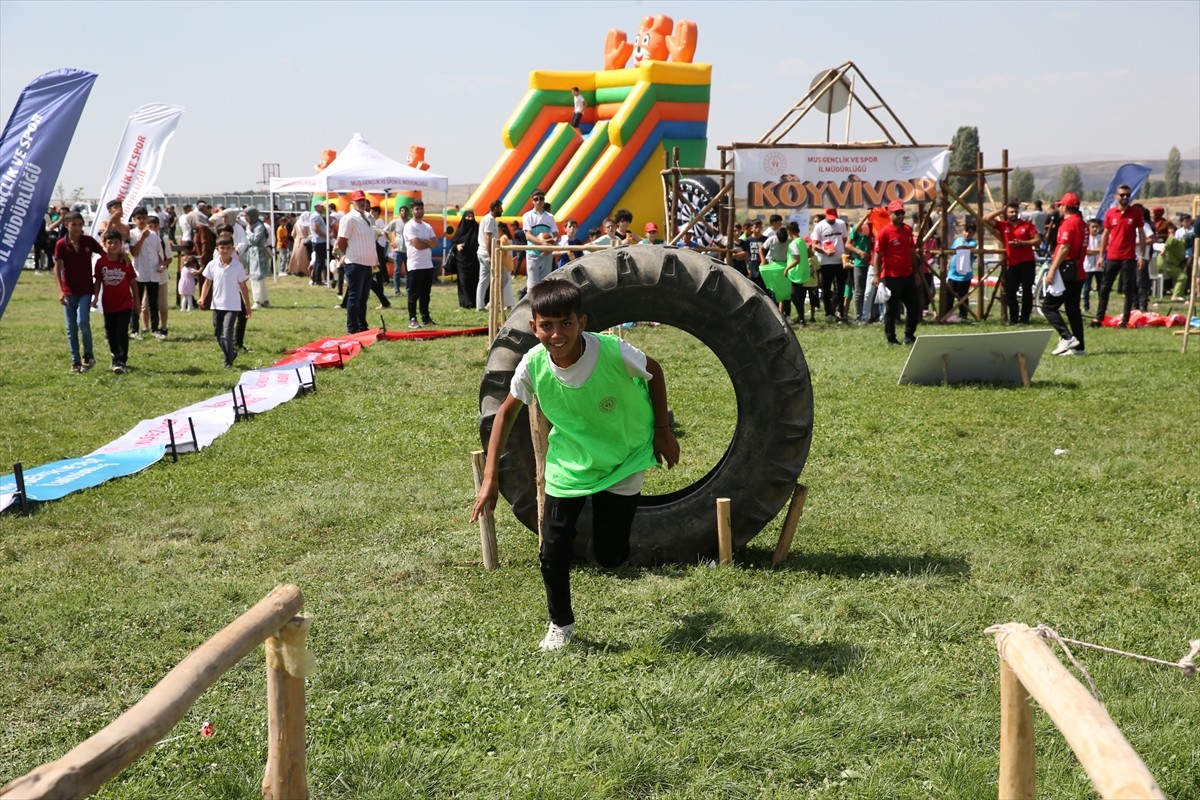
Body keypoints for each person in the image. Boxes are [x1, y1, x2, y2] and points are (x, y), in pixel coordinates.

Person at [470, 280, 680, 651]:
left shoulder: (614, 351)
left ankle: (611, 543)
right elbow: (504, 415)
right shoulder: (532, 365)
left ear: (581, 323)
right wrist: (489, 478)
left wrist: (662, 431)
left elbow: (656, 371)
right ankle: (560, 624)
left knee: (611, 557)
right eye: (546, 325)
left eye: (565, 324)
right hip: (570, 462)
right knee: (552, 549)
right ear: (534, 327)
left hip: (623, 457)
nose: (556, 334)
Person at [53, 212, 104, 373]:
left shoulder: (88, 241)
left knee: (83, 321)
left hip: (86, 289)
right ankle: (75, 361)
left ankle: (88, 355)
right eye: (73, 224)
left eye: (79, 224)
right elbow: (57, 267)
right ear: (66, 225)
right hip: (69, 290)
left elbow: (104, 253)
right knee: (71, 327)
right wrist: (61, 290)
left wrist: (121, 256)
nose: (76, 227)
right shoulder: (61, 244)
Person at [1094, 184, 1146, 327]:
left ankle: (1125, 320)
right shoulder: (1110, 213)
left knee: (1128, 289)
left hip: (1128, 256)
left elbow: (1141, 234)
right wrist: (1100, 255)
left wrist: (1142, 255)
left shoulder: (1135, 213)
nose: (1125, 198)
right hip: (1112, 256)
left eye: (1127, 195)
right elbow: (1105, 235)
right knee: (1105, 288)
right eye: (1122, 195)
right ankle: (1099, 318)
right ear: (1116, 196)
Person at [872, 200, 922, 346]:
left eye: (903, 213)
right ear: (890, 214)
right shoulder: (884, 233)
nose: (901, 215)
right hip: (891, 277)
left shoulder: (907, 230)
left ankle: (909, 336)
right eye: (898, 213)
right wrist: (877, 275)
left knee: (914, 306)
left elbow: (912, 252)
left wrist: (917, 272)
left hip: (908, 276)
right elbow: (878, 255)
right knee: (891, 310)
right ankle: (891, 338)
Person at [1043, 193, 1088, 356]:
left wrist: (1052, 270)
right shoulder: (1083, 224)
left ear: (1065, 207)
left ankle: (1067, 337)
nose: (1059, 208)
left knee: (1048, 307)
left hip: (1065, 270)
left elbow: (1064, 248)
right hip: (1079, 271)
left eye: (1060, 205)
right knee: (1072, 309)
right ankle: (1079, 347)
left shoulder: (1068, 224)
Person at [199, 235, 252, 369]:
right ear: (217, 249)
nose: (225, 251)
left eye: (228, 248)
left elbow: (243, 287)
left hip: (233, 306)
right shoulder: (212, 265)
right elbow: (207, 282)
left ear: (233, 249)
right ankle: (231, 353)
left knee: (227, 333)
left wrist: (247, 306)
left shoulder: (237, 266)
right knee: (218, 335)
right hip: (217, 305)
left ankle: (228, 361)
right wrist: (202, 297)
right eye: (222, 248)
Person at [90, 230, 139, 374]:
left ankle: (122, 361)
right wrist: (95, 297)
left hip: (125, 304)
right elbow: (98, 281)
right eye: (109, 243)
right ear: (104, 244)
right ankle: (114, 356)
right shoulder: (101, 262)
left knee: (121, 332)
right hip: (108, 305)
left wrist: (136, 302)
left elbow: (133, 282)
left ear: (121, 244)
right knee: (110, 333)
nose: (112, 245)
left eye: (116, 243)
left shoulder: (125, 261)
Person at [986, 202, 1041, 324]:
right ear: (1007, 213)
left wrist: (1022, 243)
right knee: (1010, 292)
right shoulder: (1003, 225)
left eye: (1015, 211)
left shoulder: (1027, 225)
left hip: (1027, 262)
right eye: (1011, 212)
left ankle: (1025, 319)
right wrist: (1001, 211)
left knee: (1027, 291)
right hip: (1013, 263)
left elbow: (1037, 240)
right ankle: (1014, 318)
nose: (1013, 214)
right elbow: (986, 219)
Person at [335, 190, 377, 334]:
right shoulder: (349, 218)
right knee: (354, 296)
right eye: (358, 201)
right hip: (355, 262)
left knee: (363, 297)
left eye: (363, 201)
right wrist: (349, 254)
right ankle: (352, 328)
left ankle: (362, 325)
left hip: (367, 263)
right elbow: (341, 241)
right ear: (353, 202)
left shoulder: (366, 217)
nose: (362, 203)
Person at [404, 199, 438, 328]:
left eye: (421, 208)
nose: (419, 211)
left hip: (427, 265)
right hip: (415, 265)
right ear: (412, 210)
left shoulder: (427, 226)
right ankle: (412, 318)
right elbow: (417, 245)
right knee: (413, 294)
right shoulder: (410, 226)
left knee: (425, 294)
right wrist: (427, 242)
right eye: (417, 209)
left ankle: (426, 317)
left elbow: (435, 243)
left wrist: (425, 241)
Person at [811, 208, 849, 323]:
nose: (832, 221)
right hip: (825, 262)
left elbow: (845, 240)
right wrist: (825, 251)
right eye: (830, 218)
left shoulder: (841, 224)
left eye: (834, 218)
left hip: (840, 261)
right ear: (825, 215)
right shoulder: (819, 226)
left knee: (841, 289)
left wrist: (847, 256)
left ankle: (841, 313)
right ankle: (828, 313)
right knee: (826, 289)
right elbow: (814, 245)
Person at [477, 199, 512, 311]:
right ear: (496, 208)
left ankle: (480, 306)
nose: (502, 210)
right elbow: (487, 237)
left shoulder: (488, 219)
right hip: (488, 254)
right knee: (504, 277)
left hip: (483, 253)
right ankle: (492, 303)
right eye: (501, 207)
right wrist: (491, 256)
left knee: (483, 280)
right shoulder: (490, 219)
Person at [522, 188, 558, 289]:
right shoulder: (527, 216)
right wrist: (543, 245)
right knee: (532, 286)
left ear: (544, 200)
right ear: (532, 201)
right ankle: (531, 305)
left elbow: (555, 234)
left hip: (547, 254)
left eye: (541, 199)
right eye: (536, 199)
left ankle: (544, 305)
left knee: (545, 284)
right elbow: (528, 236)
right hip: (533, 254)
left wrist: (550, 247)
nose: (539, 201)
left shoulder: (550, 217)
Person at [947, 222, 978, 320]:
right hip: (953, 273)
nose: (967, 234)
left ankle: (963, 315)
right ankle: (947, 314)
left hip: (965, 275)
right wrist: (949, 262)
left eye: (970, 233)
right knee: (949, 295)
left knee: (963, 296)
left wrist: (963, 247)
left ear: (973, 234)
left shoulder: (973, 242)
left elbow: (972, 247)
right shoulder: (957, 240)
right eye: (966, 232)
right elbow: (952, 252)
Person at [451, 209, 480, 309]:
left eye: (471, 217)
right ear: (464, 218)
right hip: (462, 261)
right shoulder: (461, 230)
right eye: (468, 217)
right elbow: (453, 242)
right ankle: (466, 302)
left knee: (475, 280)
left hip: (475, 260)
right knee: (463, 281)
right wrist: (457, 246)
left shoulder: (477, 228)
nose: (470, 219)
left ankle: (475, 301)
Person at [244, 207, 271, 309]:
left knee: (256, 278)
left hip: (257, 253)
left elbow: (255, 239)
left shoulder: (258, 226)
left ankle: (257, 301)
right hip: (253, 253)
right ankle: (265, 300)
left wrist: (248, 232)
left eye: (246, 215)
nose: (245, 218)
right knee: (257, 277)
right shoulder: (253, 225)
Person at [846, 217, 872, 322]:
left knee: (870, 291)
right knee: (859, 291)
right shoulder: (857, 229)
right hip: (859, 263)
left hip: (872, 263)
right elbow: (847, 244)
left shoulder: (874, 228)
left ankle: (871, 315)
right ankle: (858, 316)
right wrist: (859, 252)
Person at [385, 205, 411, 296]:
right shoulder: (396, 222)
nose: (404, 212)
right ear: (400, 212)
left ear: (408, 212)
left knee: (408, 271)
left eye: (405, 211)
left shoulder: (411, 222)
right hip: (398, 251)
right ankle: (397, 290)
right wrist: (390, 242)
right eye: (402, 211)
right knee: (397, 271)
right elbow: (385, 231)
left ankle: (408, 290)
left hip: (408, 251)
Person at [1082, 218, 1103, 313]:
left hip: (1099, 267)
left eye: (1096, 227)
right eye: (1093, 227)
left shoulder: (1101, 237)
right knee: (1086, 288)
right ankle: (1086, 306)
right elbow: (1085, 251)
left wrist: (1096, 251)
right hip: (1088, 266)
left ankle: (1102, 306)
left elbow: (1105, 248)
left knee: (1101, 287)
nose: (1095, 229)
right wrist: (1098, 251)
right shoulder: (1085, 238)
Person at [309, 203, 329, 287]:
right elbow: (316, 228)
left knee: (318, 261)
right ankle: (317, 280)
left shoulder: (317, 215)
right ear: (316, 207)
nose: (322, 208)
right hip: (319, 241)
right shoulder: (316, 216)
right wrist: (325, 235)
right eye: (321, 207)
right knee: (320, 261)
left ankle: (316, 279)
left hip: (319, 240)